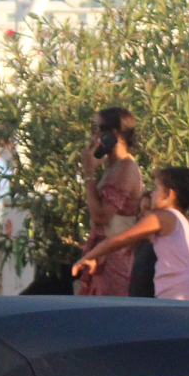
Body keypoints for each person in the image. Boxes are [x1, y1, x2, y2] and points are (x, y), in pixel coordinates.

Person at [73, 165, 189, 301]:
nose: (152, 194)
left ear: (169, 194)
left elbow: (120, 239)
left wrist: (90, 256)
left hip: (179, 298)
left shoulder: (162, 217)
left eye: (157, 188)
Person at [76, 107, 147, 297]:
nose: (92, 135)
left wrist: (89, 174)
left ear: (113, 134)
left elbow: (100, 216)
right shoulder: (114, 166)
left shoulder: (125, 168)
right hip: (102, 259)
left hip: (115, 261)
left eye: (96, 128)